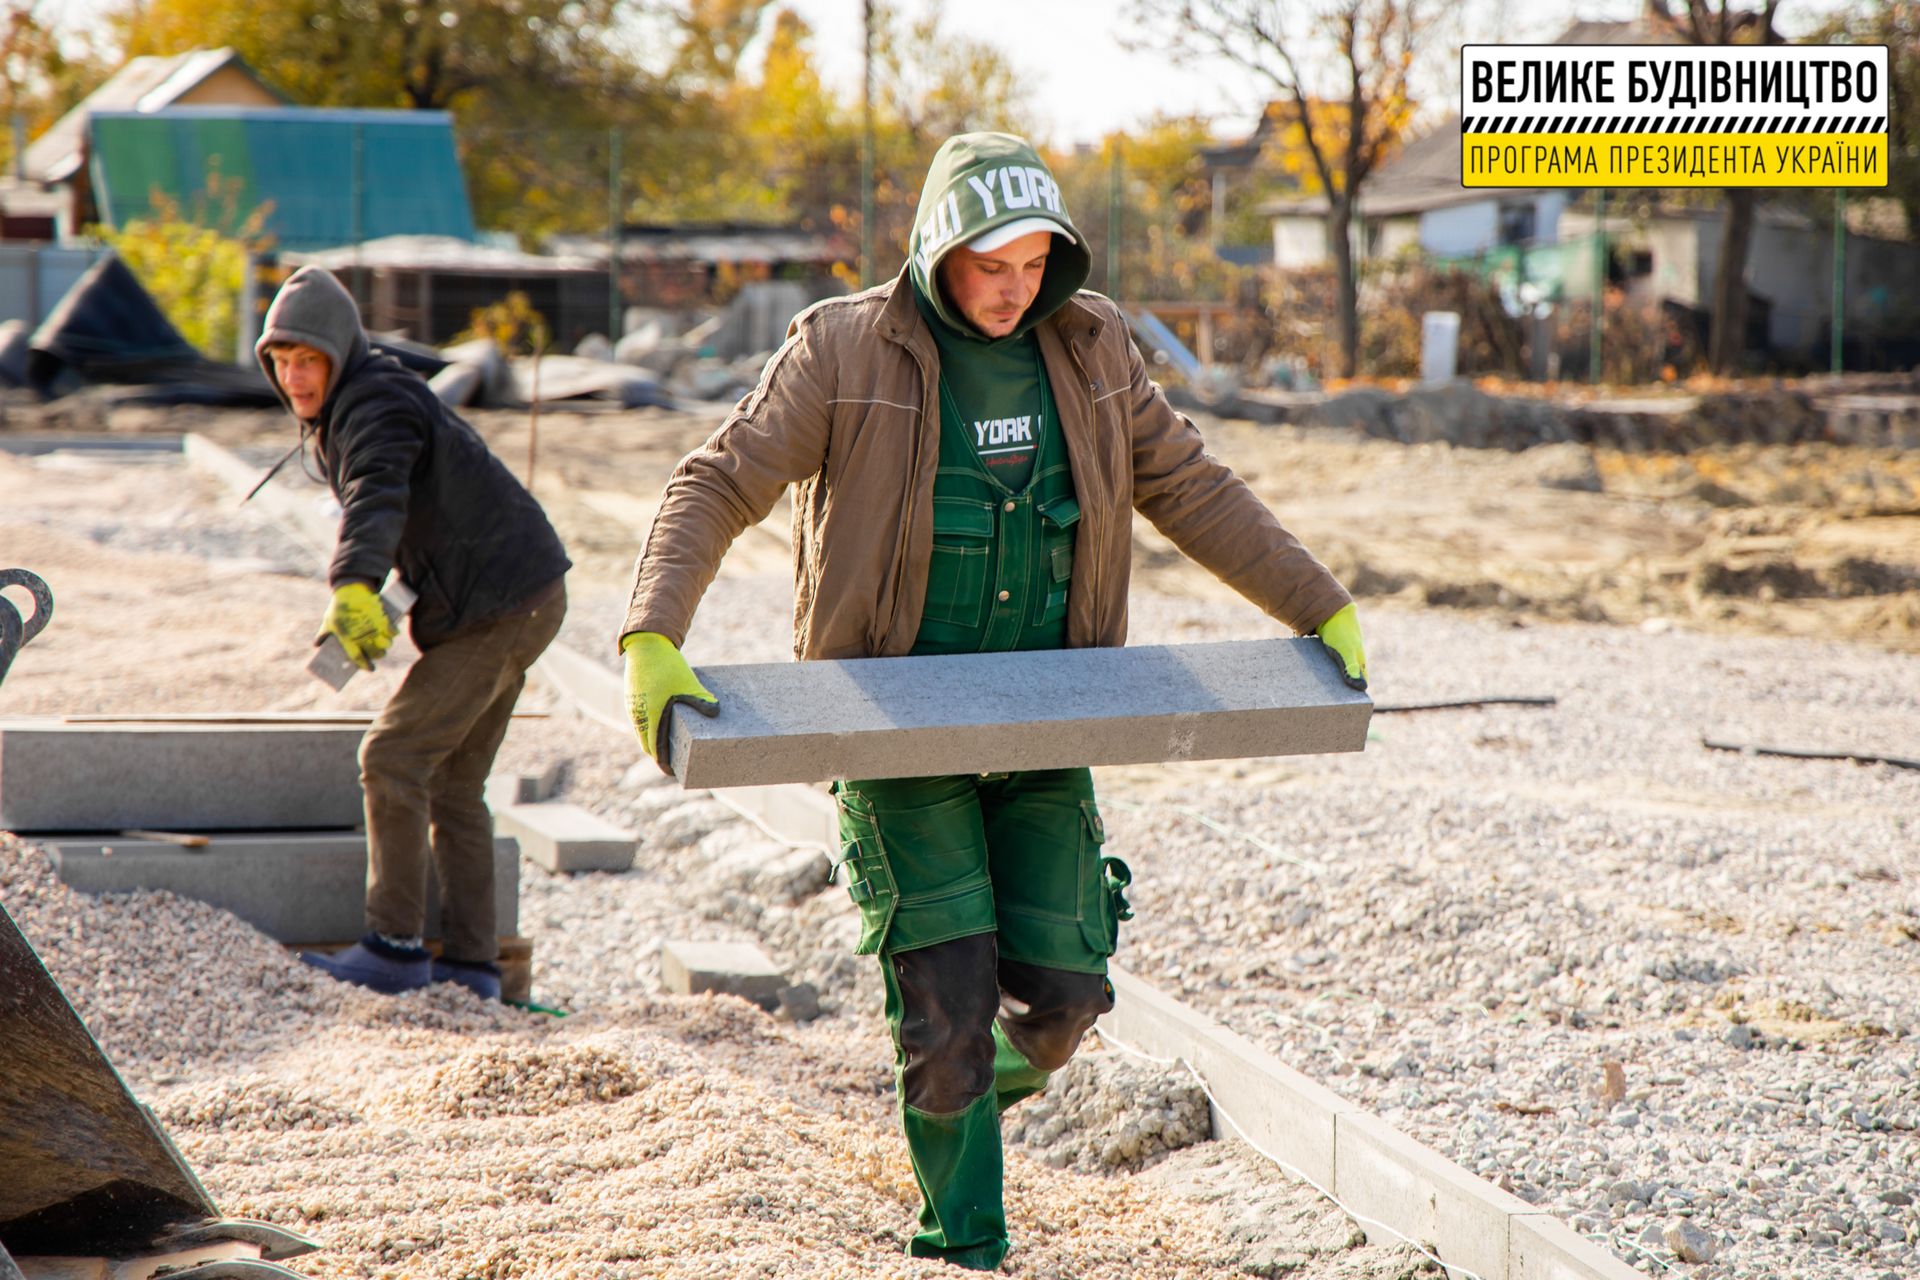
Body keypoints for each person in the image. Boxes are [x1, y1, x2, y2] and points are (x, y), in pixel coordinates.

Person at [620, 132, 1365, 1269]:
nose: (1014, 290)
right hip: (896, 728)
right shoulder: (845, 349)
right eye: (989, 266)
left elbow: (1190, 483)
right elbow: (720, 479)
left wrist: (1317, 602)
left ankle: (963, 1085)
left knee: (1067, 994)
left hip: (1045, 718)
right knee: (947, 1012)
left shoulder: (1092, 344)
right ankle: (963, 1236)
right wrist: (653, 634)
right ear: (934, 250)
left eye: (1033, 264)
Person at [257, 266, 571, 1002]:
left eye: (309, 361)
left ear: (338, 354)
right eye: (282, 362)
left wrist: (352, 585)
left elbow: (376, 495)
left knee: (392, 756)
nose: (296, 378)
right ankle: (473, 969)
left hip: (498, 607)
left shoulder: (373, 405)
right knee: (457, 784)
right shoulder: (358, 402)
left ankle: (394, 948)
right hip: (521, 594)